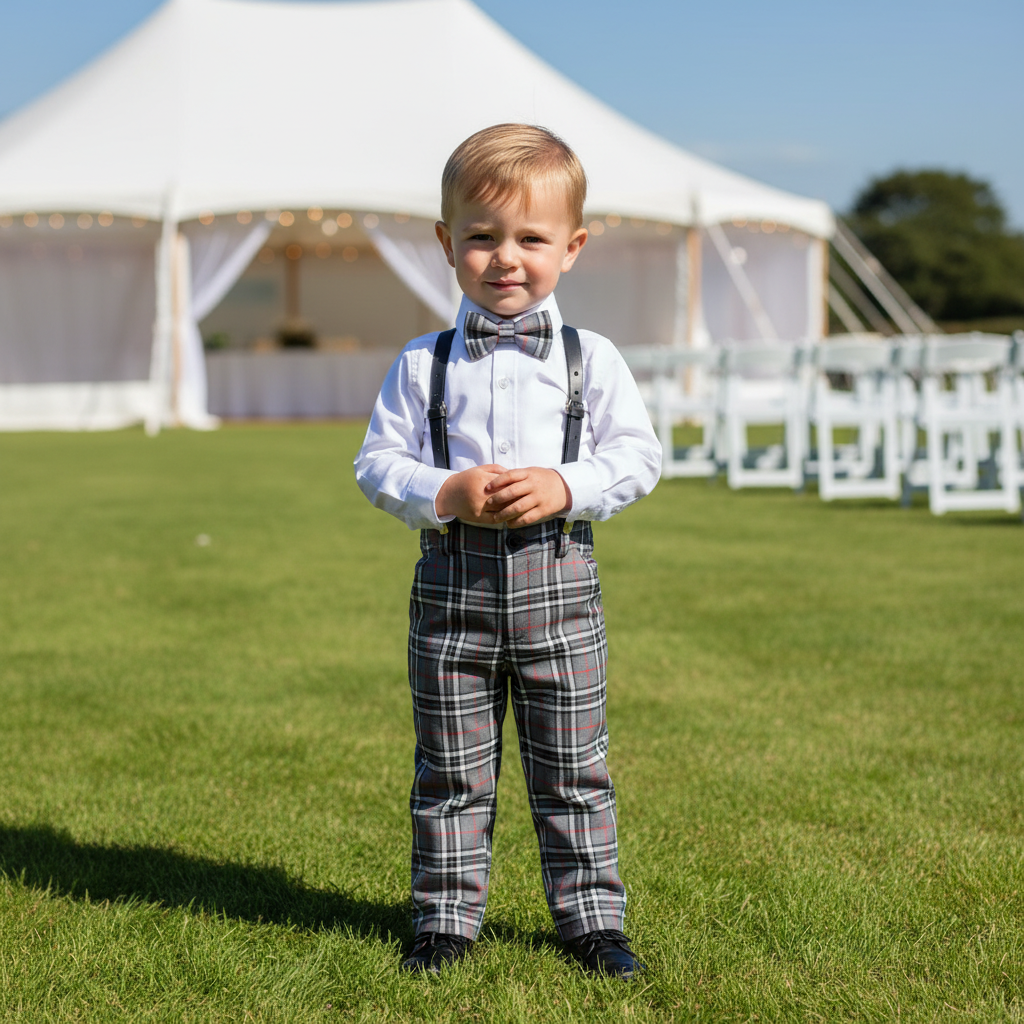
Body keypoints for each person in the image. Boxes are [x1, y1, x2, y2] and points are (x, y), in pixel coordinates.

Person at [354, 124, 661, 978]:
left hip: (561, 594)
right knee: (450, 770)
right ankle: (445, 920)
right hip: (453, 600)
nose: (505, 258)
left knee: (574, 770)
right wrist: (439, 493)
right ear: (448, 244)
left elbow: (638, 456)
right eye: (482, 237)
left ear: (573, 246)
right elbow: (377, 463)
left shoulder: (587, 359)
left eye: (531, 238)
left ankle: (592, 922)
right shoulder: (425, 363)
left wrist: (568, 484)